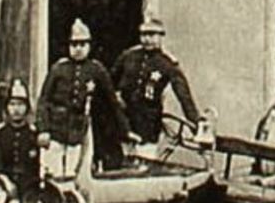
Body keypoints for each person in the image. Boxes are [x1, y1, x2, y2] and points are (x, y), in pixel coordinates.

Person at [36, 19, 134, 180]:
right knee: (52, 173)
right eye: (74, 45)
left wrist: (126, 130)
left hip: (78, 129)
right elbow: (44, 100)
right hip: (55, 129)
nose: (78, 49)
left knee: (74, 173)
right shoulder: (58, 69)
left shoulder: (96, 70)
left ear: (89, 46)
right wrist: (43, 129)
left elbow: (112, 103)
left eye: (82, 44)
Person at [111, 15, 201, 157]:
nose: (147, 39)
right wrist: (116, 98)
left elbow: (183, 95)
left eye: (152, 35)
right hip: (124, 120)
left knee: (145, 162)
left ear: (161, 37)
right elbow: (109, 82)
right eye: (144, 35)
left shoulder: (167, 64)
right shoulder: (128, 56)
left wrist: (195, 124)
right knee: (122, 162)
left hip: (147, 123)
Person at [0, 78, 42, 203]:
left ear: (27, 108)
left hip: (29, 186)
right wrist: (5, 183)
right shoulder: (0, 133)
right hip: (5, 186)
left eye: (20, 104)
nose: (16, 109)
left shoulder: (34, 134)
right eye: (12, 104)